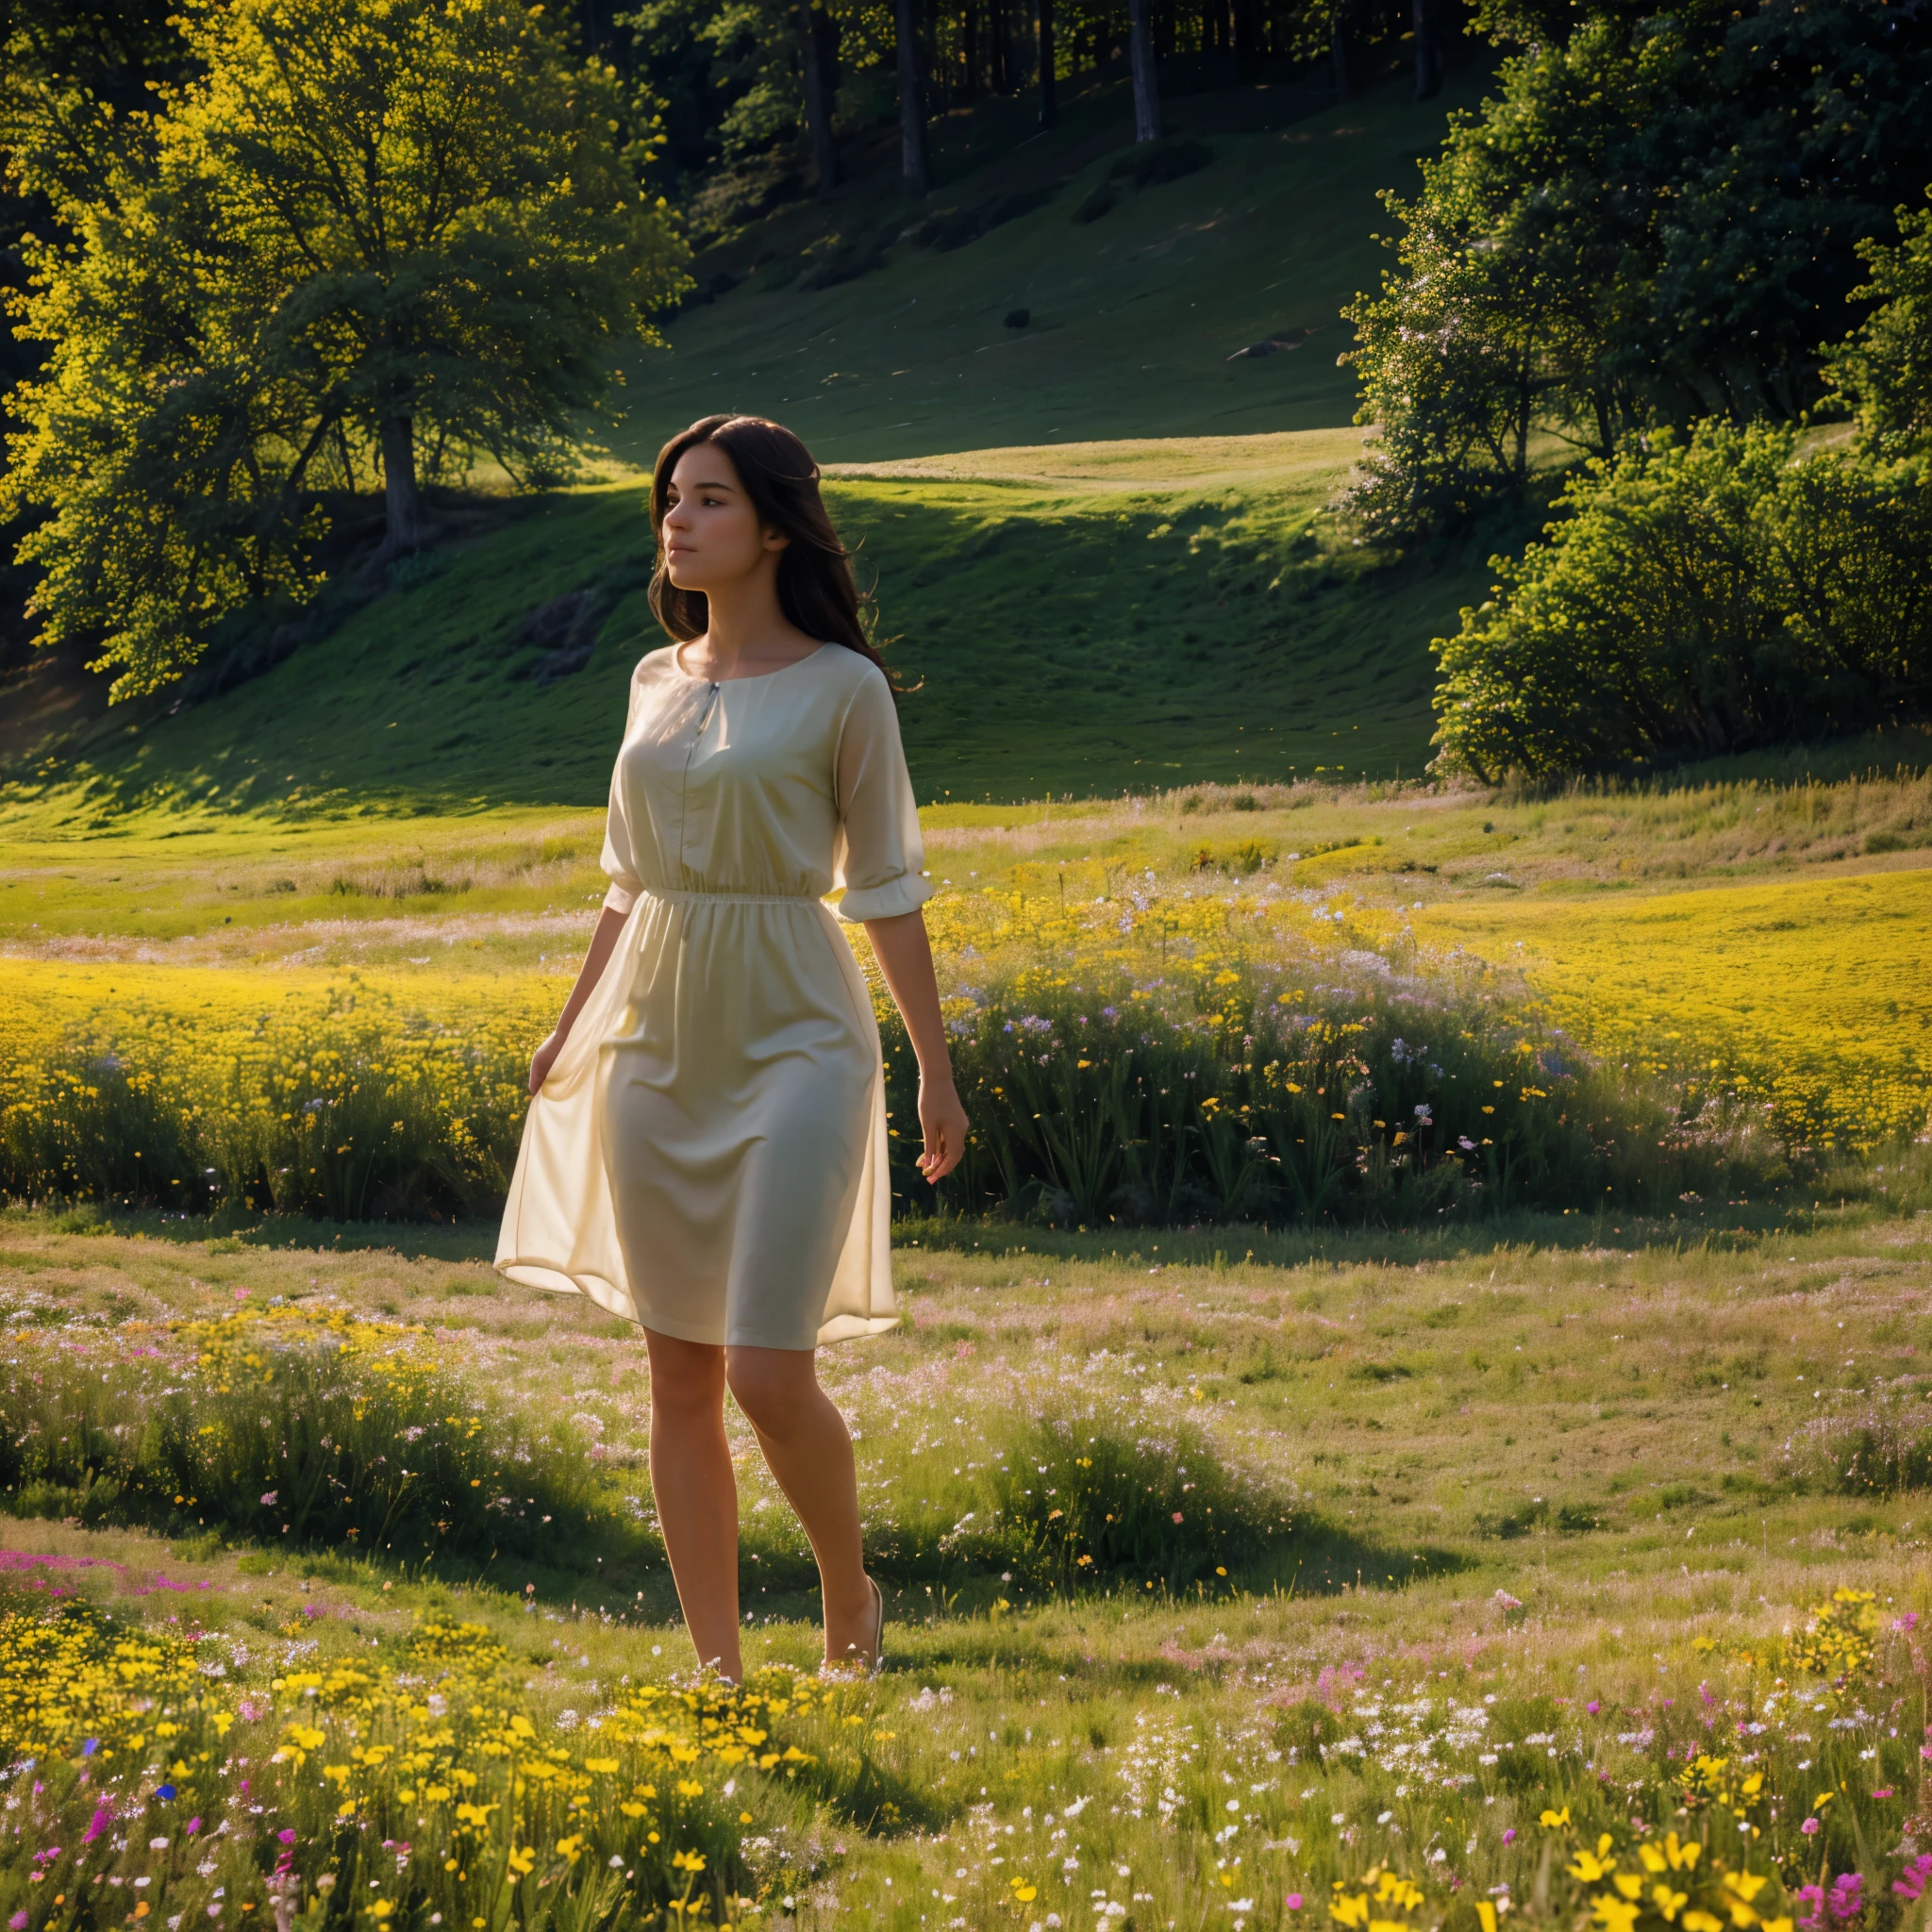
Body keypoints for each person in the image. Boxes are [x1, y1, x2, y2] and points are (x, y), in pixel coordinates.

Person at [495, 413, 967, 1681]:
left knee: (766, 1365)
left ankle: (847, 1593)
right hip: (653, 1037)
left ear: (773, 525)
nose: (676, 522)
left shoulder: (843, 689)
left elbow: (887, 886)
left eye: (705, 499)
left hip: (799, 1035)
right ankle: (717, 1671)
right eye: (669, 501)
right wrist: (566, 1027)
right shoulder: (654, 681)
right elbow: (623, 881)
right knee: (680, 1376)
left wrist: (934, 1064)